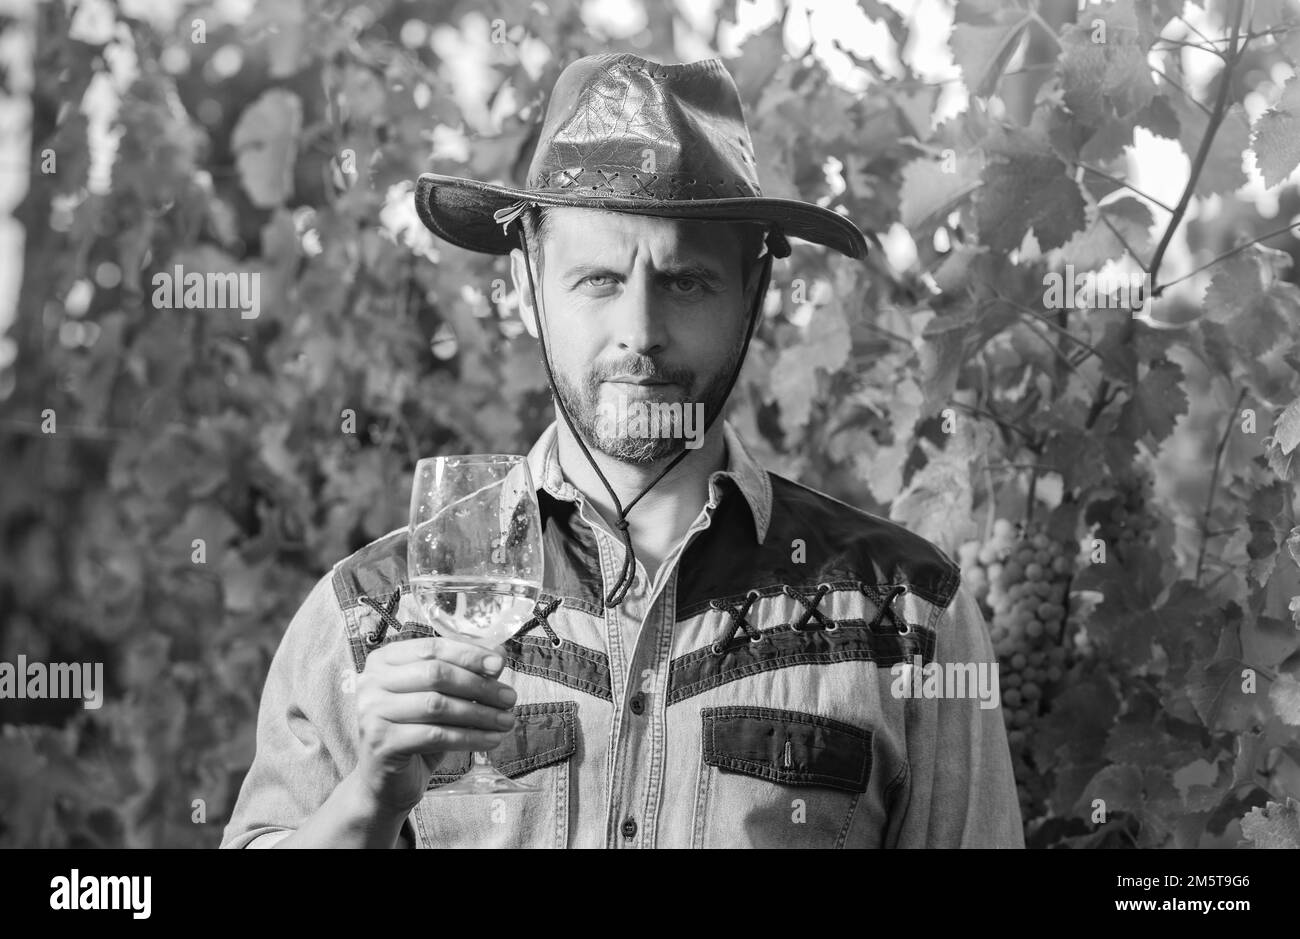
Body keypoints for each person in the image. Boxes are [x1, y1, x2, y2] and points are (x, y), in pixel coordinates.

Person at [221, 52, 1023, 849]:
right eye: (599, 280)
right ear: (527, 290)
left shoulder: (912, 617)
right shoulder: (368, 617)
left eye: (685, 282)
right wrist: (367, 801)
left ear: (753, 295)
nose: (639, 334)